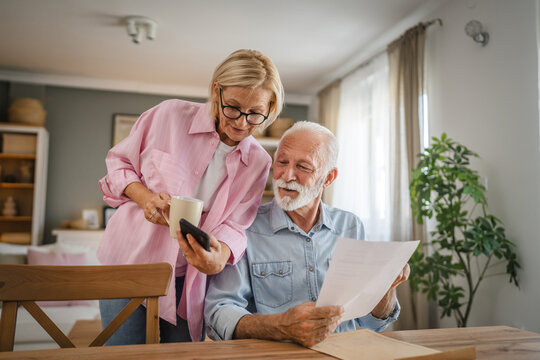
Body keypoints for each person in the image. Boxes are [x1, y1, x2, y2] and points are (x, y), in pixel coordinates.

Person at [97, 49, 284, 344]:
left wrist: (218, 258)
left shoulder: (258, 162)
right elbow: (119, 164)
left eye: (255, 114)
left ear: (270, 107)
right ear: (216, 90)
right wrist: (146, 197)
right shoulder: (168, 115)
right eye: (232, 107)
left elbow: (236, 226)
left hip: (189, 279)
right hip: (129, 264)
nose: (241, 123)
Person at [204, 121, 410, 347]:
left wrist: (385, 287)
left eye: (303, 167)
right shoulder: (244, 228)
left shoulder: (351, 226)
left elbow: (373, 323)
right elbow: (218, 312)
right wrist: (281, 326)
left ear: (329, 178)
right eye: (282, 162)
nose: (287, 175)